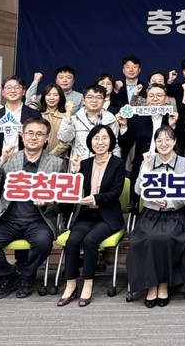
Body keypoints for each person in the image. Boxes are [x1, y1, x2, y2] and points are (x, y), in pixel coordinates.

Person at [0, 117, 64, 299]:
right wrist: (1, 159)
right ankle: (8, 276)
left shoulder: (56, 163)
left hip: (38, 220)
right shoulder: (10, 159)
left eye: (39, 134)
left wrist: (48, 201)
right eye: (30, 133)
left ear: (46, 138)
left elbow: (61, 199)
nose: (34, 137)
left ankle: (27, 276)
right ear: (22, 135)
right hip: (8, 220)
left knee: (43, 244)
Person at [58, 125, 125, 308]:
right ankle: (71, 284)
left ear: (111, 141)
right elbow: (73, 189)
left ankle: (88, 283)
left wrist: (95, 198)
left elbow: (116, 192)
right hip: (87, 214)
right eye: (96, 138)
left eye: (104, 138)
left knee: (90, 241)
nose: (100, 142)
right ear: (90, 142)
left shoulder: (117, 163)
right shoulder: (85, 164)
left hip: (108, 216)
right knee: (72, 241)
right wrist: (75, 171)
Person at [128, 125, 185, 308]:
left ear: (175, 142)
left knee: (165, 238)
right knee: (146, 239)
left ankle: (163, 284)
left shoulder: (184, 163)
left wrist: (169, 202)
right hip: (151, 213)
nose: (163, 144)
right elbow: (138, 189)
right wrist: (146, 167)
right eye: (159, 140)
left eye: (168, 140)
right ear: (155, 143)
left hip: (174, 214)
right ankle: (151, 285)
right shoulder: (149, 160)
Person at [0, 75, 42, 232]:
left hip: (24, 165)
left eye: (17, 87)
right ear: (3, 92)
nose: (13, 90)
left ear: (23, 91)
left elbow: (42, 142)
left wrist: (28, 137)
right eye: (9, 88)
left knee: (22, 204)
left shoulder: (34, 115)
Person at [118, 83, 185, 211]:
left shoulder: (174, 116)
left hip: (167, 166)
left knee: (165, 202)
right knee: (138, 204)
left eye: (159, 95)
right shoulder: (137, 118)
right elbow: (125, 145)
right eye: (151, 96)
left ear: (166, 99)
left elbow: (183, 143)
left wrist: (173, 126)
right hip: (143, 165)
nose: (155, 99)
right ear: (146, 99)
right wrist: (123, 127)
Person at [58, 84, 121, 161]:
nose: (94, 100)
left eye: (98, 97)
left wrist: (117, 164)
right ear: (83, 101)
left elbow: (115, 146)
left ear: (104, 101)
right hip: (79, 163)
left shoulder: (111, 120)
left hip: (104, 163)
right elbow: (64, 139)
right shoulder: (74, 119)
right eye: (90, 97)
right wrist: (68, 114)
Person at [36, 83, 71, 163]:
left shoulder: (66, 117)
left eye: (55, 95)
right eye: (48, 95)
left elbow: (67, 141)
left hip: (59, 159)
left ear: (60, 97)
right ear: (44, 97)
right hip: (37, 159)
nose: (51, 98)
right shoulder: (37, 115)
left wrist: (52, 155)